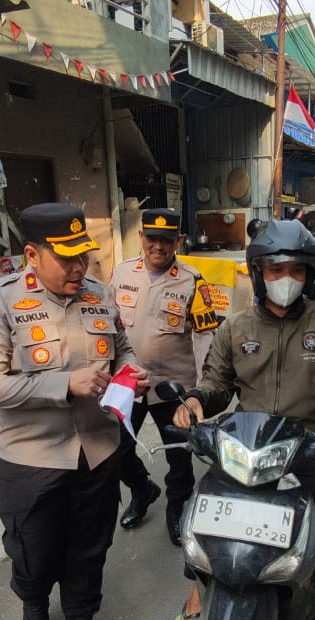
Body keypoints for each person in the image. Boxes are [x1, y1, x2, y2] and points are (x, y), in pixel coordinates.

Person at [170, 219, 315, 620]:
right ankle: (199, 587)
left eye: (297, 270)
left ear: (309, 273)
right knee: (205, 521)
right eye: (277, 269)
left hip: (308, 448)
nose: (287, 279)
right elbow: (215, 383)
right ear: (259, 271)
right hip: (247, 446)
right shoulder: (236, 327)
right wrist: (194, 402)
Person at [0, 203, 147, 620]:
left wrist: (131, 373)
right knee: (34, 553)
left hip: (99, 450)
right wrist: (61, 384)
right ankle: (33, 607)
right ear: (31, 254)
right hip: (33, 458)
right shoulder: (0, 303)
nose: (77, 268)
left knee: (90, 547)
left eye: (83, 257)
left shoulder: (101, 295)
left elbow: (124, 348)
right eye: (65, 258)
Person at [109, 208, 216, 544]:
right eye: (151, 238)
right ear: (141, 237)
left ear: (178, 241)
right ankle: (143, 489)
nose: (158, 246)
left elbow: (205, 338)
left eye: (166, 240)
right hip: (129, 383)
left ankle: (176, 508)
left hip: (175, 387)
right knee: (116, 451)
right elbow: (108, 329)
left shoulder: (193, 281)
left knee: (179, 457)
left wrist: (201, 391)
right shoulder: (122, 273)